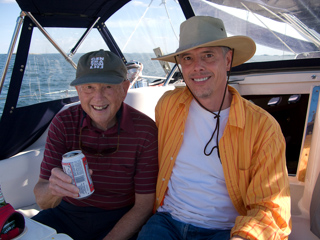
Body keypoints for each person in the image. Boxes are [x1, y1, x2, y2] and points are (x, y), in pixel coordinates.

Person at [137, 16, 291, 240]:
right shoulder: (168, 105)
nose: (197, 67)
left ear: (227, 60)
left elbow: (271, 210)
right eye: (187, 58)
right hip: (167, 221)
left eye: (208, 55)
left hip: (226, 230)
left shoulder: (263, 128)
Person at [32, 50, 158, 240]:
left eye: (108, 86)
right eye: (89, 87)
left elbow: (144, 206)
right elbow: (42, 201)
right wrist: (53, 188)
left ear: (124, 88)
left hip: (119, 218)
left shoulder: (145, 130)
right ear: (78, 91)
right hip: (66, 214)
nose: (98, 98)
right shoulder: (63, 122)